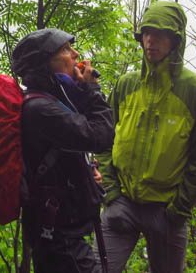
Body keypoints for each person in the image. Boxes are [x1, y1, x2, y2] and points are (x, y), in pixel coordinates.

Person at [97, 1, 196, 273]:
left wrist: (178, 210)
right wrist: (112, 194)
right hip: (122, 205)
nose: (150, 41)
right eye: (146, 33)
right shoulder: (126, 84)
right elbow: (102, 139)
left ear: (176, 40)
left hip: (166, 211)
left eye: (160, 34)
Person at [11, 28, 114, 273]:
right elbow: (101, 136)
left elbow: (64, 154)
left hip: (58, 233)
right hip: (60, 238)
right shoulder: (41, 109)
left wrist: (86, 175)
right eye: (66, 50)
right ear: (44, 63)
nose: (76, 54)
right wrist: (93, 89)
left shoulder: (47, 102)